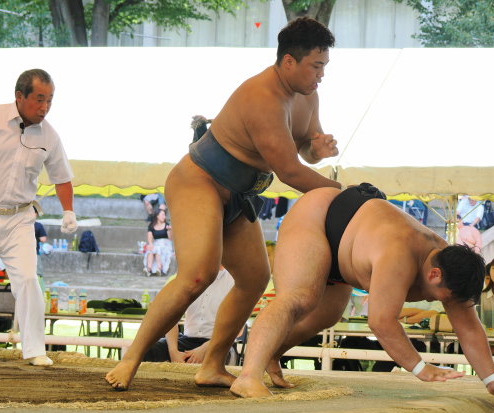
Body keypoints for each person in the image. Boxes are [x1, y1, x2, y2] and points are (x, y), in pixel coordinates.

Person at [106, 17, 341, 391]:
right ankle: (132, 357)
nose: (322, 75)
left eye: (324, 66)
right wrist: (343, 193)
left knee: (254, 279)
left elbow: (303, 150)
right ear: (289, 62)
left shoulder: (308, 95)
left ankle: (212, 364)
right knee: (197, 275)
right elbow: (289, 171)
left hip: (240, 194)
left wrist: (318, 149)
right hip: (199, 182)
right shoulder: (261, 97)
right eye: (316, 66)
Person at [230, 184, 494, 403]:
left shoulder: (451, 267)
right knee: (299, 298)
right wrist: (420, 368)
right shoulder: (399, 254)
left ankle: (271, 353)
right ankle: (248, 377)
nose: (440, 303)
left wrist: (491, 379)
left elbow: (468, 326)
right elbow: (382, 322)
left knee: (327, 315)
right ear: (434, 274)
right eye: (442, 297)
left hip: (350, 244)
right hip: (318, 217)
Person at [0, 69, 77, 366]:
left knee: (29, 280)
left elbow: (62, 177)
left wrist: (68, 210)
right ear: (20, 96)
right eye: (39, 99)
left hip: (20, 218)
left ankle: (34, 350)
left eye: (50, 100)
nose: (45, 107)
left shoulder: (49, 135)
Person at [143, 267, 234, 363]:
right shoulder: (188, 277)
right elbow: (170, 317)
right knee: (146, 349)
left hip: (218, 343)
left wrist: (204, 349)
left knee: (215, 359)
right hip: (187, 340)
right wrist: (173, 352)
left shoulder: (233, 280)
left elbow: (236, 329)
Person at [143, 208, 173, 276]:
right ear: (157, 216)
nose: (164, 217)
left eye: (164, 215)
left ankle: (159, 268)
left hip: (166, 244)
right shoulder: (151, 226)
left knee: (157, 248)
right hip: (156, 243)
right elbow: (150, 238)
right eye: (162, 215)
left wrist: (169, 230)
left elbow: (170, 238)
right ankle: (148, 269)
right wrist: (150, 244)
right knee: (151, 249)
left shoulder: (166, 225)